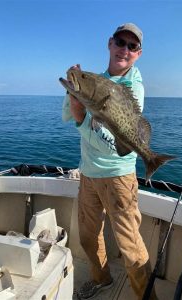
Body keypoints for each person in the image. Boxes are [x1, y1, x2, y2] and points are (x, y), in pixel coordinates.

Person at [62, 23, 158, 300]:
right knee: (88, 238)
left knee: (131, 248)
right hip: (88, 175)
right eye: (120, 42)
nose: (124, 49)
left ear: (139, 54)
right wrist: (73, 90)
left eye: (132, 46)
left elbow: (112, 147)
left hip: (118, 178)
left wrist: (81, 114)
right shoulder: (99, 80)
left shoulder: (132, 87)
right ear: (109, 43)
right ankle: (101, 278)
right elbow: (67, 114)